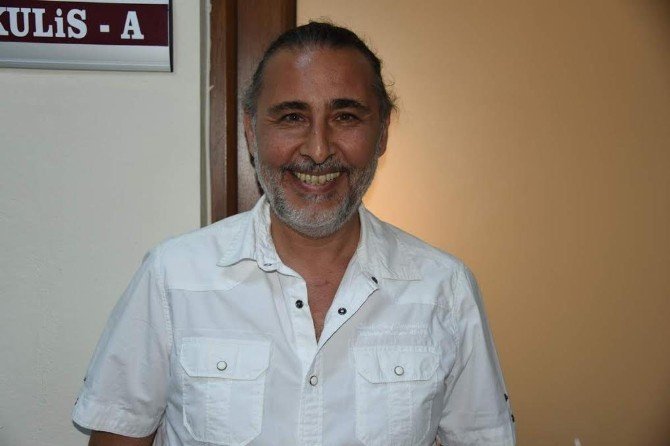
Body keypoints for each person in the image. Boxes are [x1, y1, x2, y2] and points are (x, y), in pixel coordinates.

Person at [73, 21, 516, 446]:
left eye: (345, 116)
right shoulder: (173, 278)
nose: (318, 149)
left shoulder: (445, 289)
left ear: (382, 133)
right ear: (251, 132)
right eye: (291, 117)